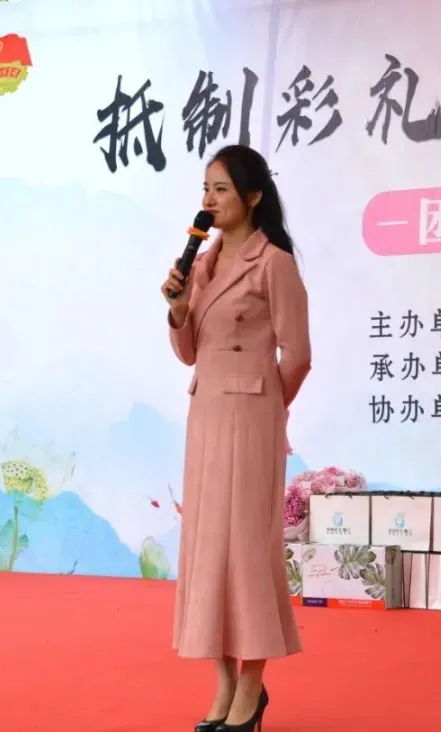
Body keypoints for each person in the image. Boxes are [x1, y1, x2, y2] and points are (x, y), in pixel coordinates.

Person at [161, 144, 311, 732]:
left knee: (247, 549)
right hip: (205, 414)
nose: (209, 199)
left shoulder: (274, 263)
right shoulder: (201, 264)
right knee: (208, 549)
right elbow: (189, 353)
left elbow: (297, 355)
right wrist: (178, 308)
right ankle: (223, 685)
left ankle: (252, 684)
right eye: (206, 188)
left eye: (221, 189)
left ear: (252, 197)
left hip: (251, 419)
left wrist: (268, 406)